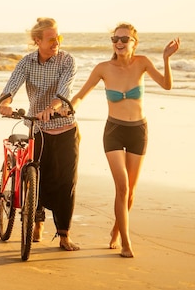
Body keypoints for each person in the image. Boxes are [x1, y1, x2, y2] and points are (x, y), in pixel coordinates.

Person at [70, 23, 180, 258]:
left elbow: (167, 85)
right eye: (115, 39)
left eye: (125, 39)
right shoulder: (103, 68)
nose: (119, 42)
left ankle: (117, 228)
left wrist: (166, 58)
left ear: (134, 42)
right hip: (114, 131)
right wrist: (68, 108)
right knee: (122, 187)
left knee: (130, 193)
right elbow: (81, 94)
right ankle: (126, 243)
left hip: (138, 130)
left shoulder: (142, 63)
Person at [0, 17, 80, 251]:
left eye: (59, 38)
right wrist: (5, 102)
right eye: (51, 39)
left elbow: (64, 90)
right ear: (37, 41)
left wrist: (50, 109)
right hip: (38, 129)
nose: (56, 42)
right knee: (37, 178)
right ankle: (36, 223)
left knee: (66, 183)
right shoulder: (26, 62)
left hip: (65, 127)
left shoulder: (67, 61)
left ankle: (64, 234)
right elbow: (12, 85)